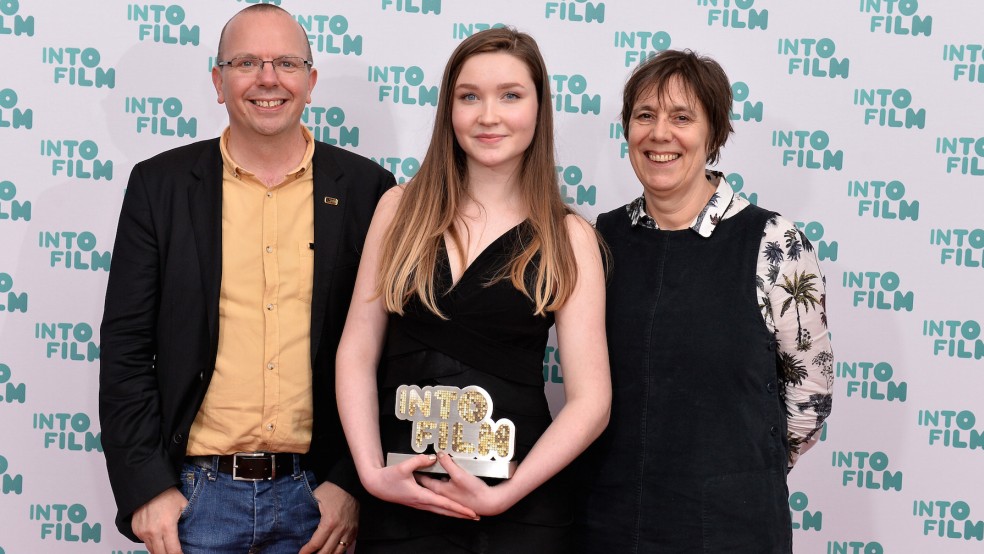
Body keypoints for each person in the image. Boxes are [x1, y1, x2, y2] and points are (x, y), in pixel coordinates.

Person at [98, 5, 395, 553]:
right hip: (194, 502)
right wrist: (147, 488)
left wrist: (351, 484)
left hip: (320, 503)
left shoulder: (368, 189)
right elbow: (126, 351)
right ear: (217, 81)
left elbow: (388, 349)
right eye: (245, 62)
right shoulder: (158, 186)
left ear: (310, 81)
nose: (267, 78)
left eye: (286, 62)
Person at [335, 28, 611, 553]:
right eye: (470, 97)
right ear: (449, 109)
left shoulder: (570, 236)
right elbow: (356, 350)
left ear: (538, 108)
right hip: (402, 500)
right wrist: (370, 472)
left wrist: (505, 495)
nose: (489, 116)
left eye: (510, 95)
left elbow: (591, 402)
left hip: (521, 508)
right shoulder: (399, 208)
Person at [576, 49, 834, 553]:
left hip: (731, 527)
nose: (660, 134)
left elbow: (809, 400)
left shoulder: (775, 243)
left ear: (714, 134)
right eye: (645, 116)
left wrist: (740, 471)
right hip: (610, 523)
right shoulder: (597, 241)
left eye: (682, 117)